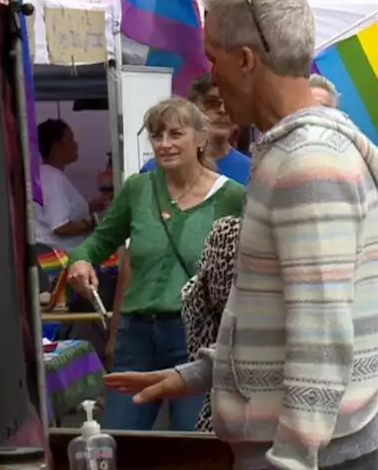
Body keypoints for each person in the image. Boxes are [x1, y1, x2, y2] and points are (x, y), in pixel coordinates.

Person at [106, 0, 378, 469]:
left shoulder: (308, 164)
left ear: (246, 60)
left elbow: (321, 333)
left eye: (214, 59)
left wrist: (290, 460)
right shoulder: (306, 150)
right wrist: (197, 373)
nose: (211, 77)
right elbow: (284, 317)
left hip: (312, 454)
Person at [178, 88, 378, 436]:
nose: (312, 133)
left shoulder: (361, 237)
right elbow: (205, 318)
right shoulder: (230, 236)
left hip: (332, 431)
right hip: (252, 423)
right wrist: (201, 374)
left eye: (324, 118)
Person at [67, 97, 247, 431]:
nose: (163, 144)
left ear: (200, 138)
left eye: (175, 134)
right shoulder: (139, 188)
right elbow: (98, 241)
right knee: (119, 439)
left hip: (195, 339)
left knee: (190, 446)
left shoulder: (232, 196)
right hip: (135, 335)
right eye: (156, 135)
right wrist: (80, 261)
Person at [140, 74, 252, 185]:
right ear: (193, 109)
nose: (222, 110)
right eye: (212, 102)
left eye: (229, 103)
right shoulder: (152, 170)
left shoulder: (252, 171)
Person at [34, 119, 95, 252]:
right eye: (70, 139)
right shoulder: (52, 178)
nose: (76, 144)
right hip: (58, 258)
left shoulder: (48, 175)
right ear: (56, 146)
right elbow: (60, 226)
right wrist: (93, 225)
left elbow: (61, 211)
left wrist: (90, 207)